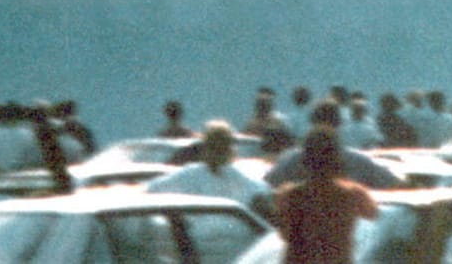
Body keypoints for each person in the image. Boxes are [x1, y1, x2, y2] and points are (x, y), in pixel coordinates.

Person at [273, 128, 379, 264]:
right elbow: (372, 213)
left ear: (306, 160)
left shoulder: (288, 195)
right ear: (337, 159)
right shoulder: (353, 194)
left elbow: (284, 234)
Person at [265, 101, 402, 189]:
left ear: (312, 123)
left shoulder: (290, 160)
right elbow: (393, 184)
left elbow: (266, 187)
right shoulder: (358, 161)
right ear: (340, 124)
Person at [147, 120, 272, 214]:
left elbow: (262, 191)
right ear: (205, 147)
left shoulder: (239, 177)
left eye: (222, 147)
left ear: (229, 149)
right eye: (213, 146)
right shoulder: (190, 174)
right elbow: (153, 188)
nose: (217, 152)